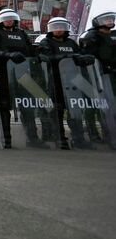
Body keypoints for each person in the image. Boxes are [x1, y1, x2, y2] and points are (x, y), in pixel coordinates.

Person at [0, 8, 46, 149]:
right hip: (4, 74)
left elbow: (30, 49)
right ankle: (6, 138)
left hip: (23, 73)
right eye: (6, 18)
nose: (9, 21)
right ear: (0, 20)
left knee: (27, 106)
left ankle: (32, 138)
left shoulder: (21, 33)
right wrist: (9, 55)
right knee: (5, 106)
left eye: (11, 18)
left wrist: (37, 55)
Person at [38, 17, 96, 150]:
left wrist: (85, 58)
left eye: (61, 27)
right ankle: (60, 138)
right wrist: (68, 57)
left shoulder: (71, 42)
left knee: (75, 109)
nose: (58, 30)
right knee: (57, 111)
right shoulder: (46, 42)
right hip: (56, 80)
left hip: (73, 80)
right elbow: (47, 58)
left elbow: (78, 56)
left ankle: (78, 139)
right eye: (55, 27)